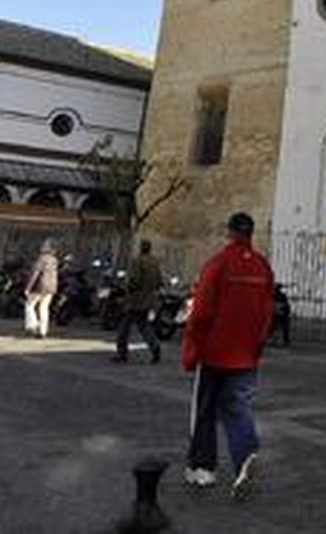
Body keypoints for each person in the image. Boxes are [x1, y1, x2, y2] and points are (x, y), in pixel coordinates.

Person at [182, 212, 275, 498]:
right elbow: (266, 316)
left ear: (229, 232)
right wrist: (257, 347)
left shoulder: (218, 264)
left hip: (214, 353)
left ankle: (203, 468)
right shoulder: (262, 267)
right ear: (251, 233)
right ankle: (246, 456)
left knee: (205, 411)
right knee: (240, 410)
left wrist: (191, 350)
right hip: (245, 355)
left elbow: (201, 313)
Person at [113, 239, 163, 364]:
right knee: (144, 325)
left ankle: (122, 353)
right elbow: (159, 281)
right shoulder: (154, 262)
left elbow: (134, 280)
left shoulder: (137, 261)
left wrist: (127, 291)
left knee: (124, 327)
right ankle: (154, 346)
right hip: (148, 298)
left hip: (135, 299)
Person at [24, 239, 60, 339]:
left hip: (40, 286)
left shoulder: (41, 259)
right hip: (51, 287)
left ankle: (33, 325)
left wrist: (28, 287)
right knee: (44, 308)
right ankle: (43, 331)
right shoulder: (54, 260)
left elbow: (35, 273)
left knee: (29, 305)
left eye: (44, 246)